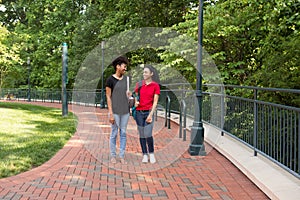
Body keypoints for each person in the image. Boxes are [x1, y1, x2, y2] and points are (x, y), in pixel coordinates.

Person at [105, 56, 131, 164]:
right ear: (118, 66)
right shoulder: (110, 80)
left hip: (125, 111)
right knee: (114, 133)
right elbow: (108, 96)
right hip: (115, 111)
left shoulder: (127, 79)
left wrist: (130, 95)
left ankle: (121, 156)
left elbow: (127, 94)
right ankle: (112, 155)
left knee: (123, 134)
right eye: (124, 66)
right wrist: (110, 113)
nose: (125, 69)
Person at [134, 65, 160, 164]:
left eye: (146, 72)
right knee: (142, 134)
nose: (144, 74)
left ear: (151, 74)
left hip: (149, 112)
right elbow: (136, 96)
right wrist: (136, 102)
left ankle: (151, 154)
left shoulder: (155, 86)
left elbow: (155, 102)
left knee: (148, 134)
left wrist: (151, 114)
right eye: (143, 72)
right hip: (139, 113)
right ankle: (144, 154)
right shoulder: (139, 84)